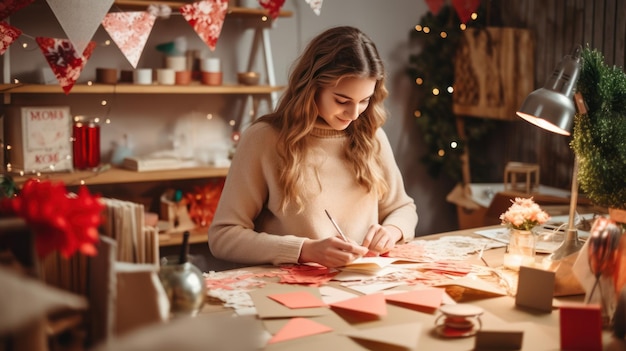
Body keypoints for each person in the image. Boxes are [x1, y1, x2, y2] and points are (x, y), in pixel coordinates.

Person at [208, 26, 418, 268]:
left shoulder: (372, 136)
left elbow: (403, 208)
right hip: (290, 293)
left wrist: (392, 230)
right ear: (311, 87)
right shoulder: (263, 139)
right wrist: (303, 250)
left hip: (364, 285)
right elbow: (222, 236)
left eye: (364, 101)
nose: (353, 114)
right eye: (342, 100)